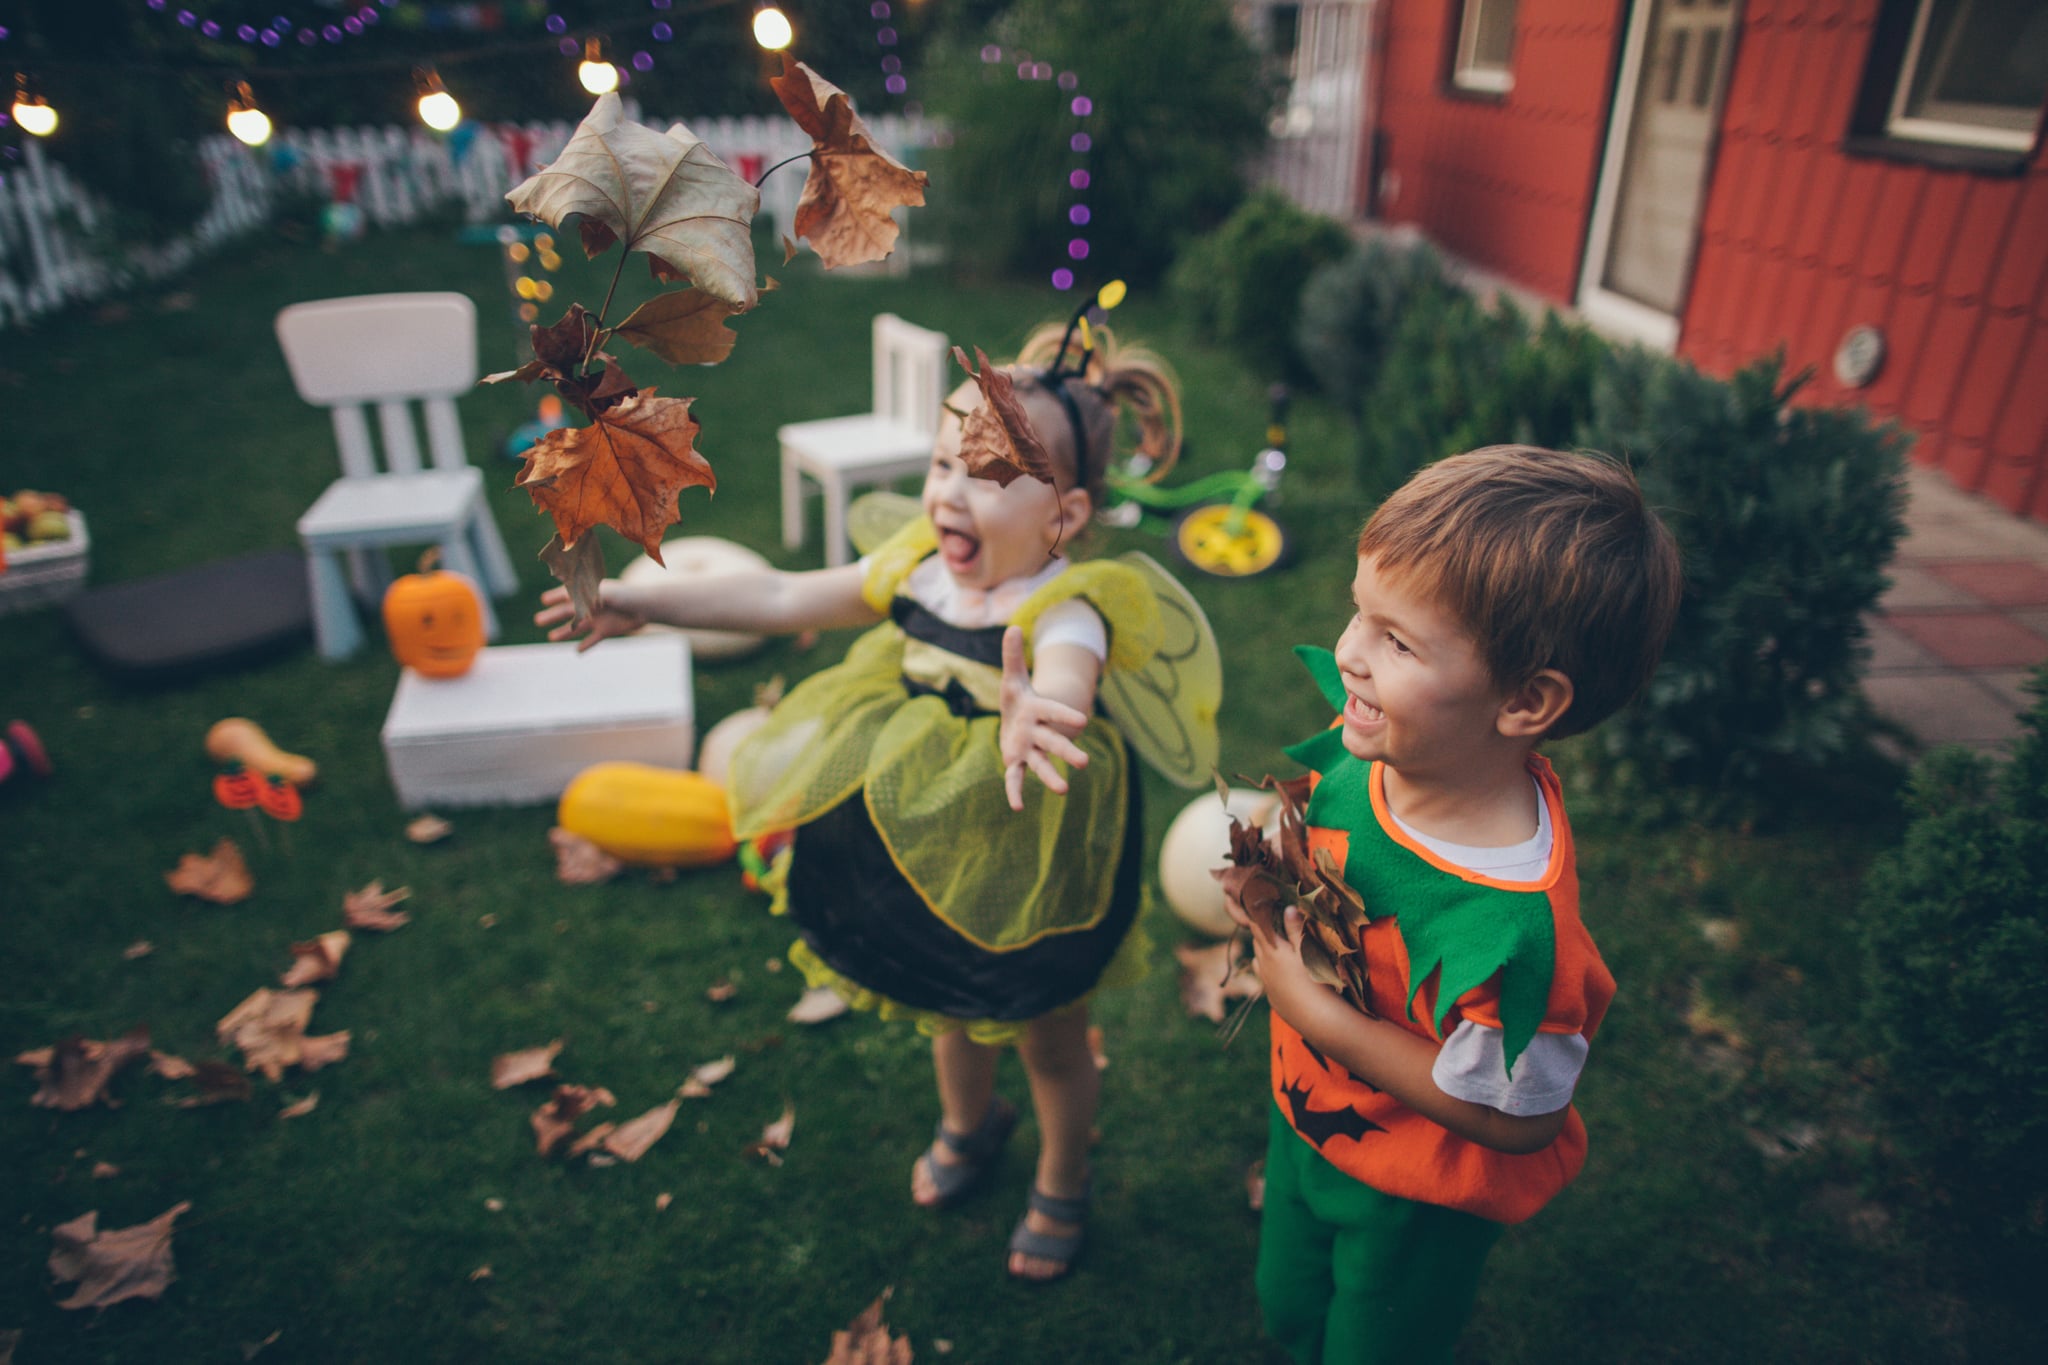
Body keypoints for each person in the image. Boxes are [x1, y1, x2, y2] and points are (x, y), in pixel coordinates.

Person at [536, 322, 1190, 1283]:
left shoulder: (1067, 607)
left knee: (1049, 1033)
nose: (949, 494)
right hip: (928, 834)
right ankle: (969, 1124)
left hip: (1036, 855)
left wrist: (1038, 715)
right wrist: (652, 605)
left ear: (1063, 514)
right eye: (941, 462)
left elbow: (1065, 682)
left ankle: (1062, 1171)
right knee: (948, 1006)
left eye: (991, 475)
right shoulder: (920, 569)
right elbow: (782, 598)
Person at [1230, 445, 1682, 1364]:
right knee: (1286, 1305)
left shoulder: (1518, 939)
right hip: (1307, 1117)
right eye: (1359, 611)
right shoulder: (1370, 766)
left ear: (1525, 700)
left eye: (1396, 640)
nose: (1348, 653)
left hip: (1419, 1191)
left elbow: (1523, 1119)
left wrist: (1314, 1011)